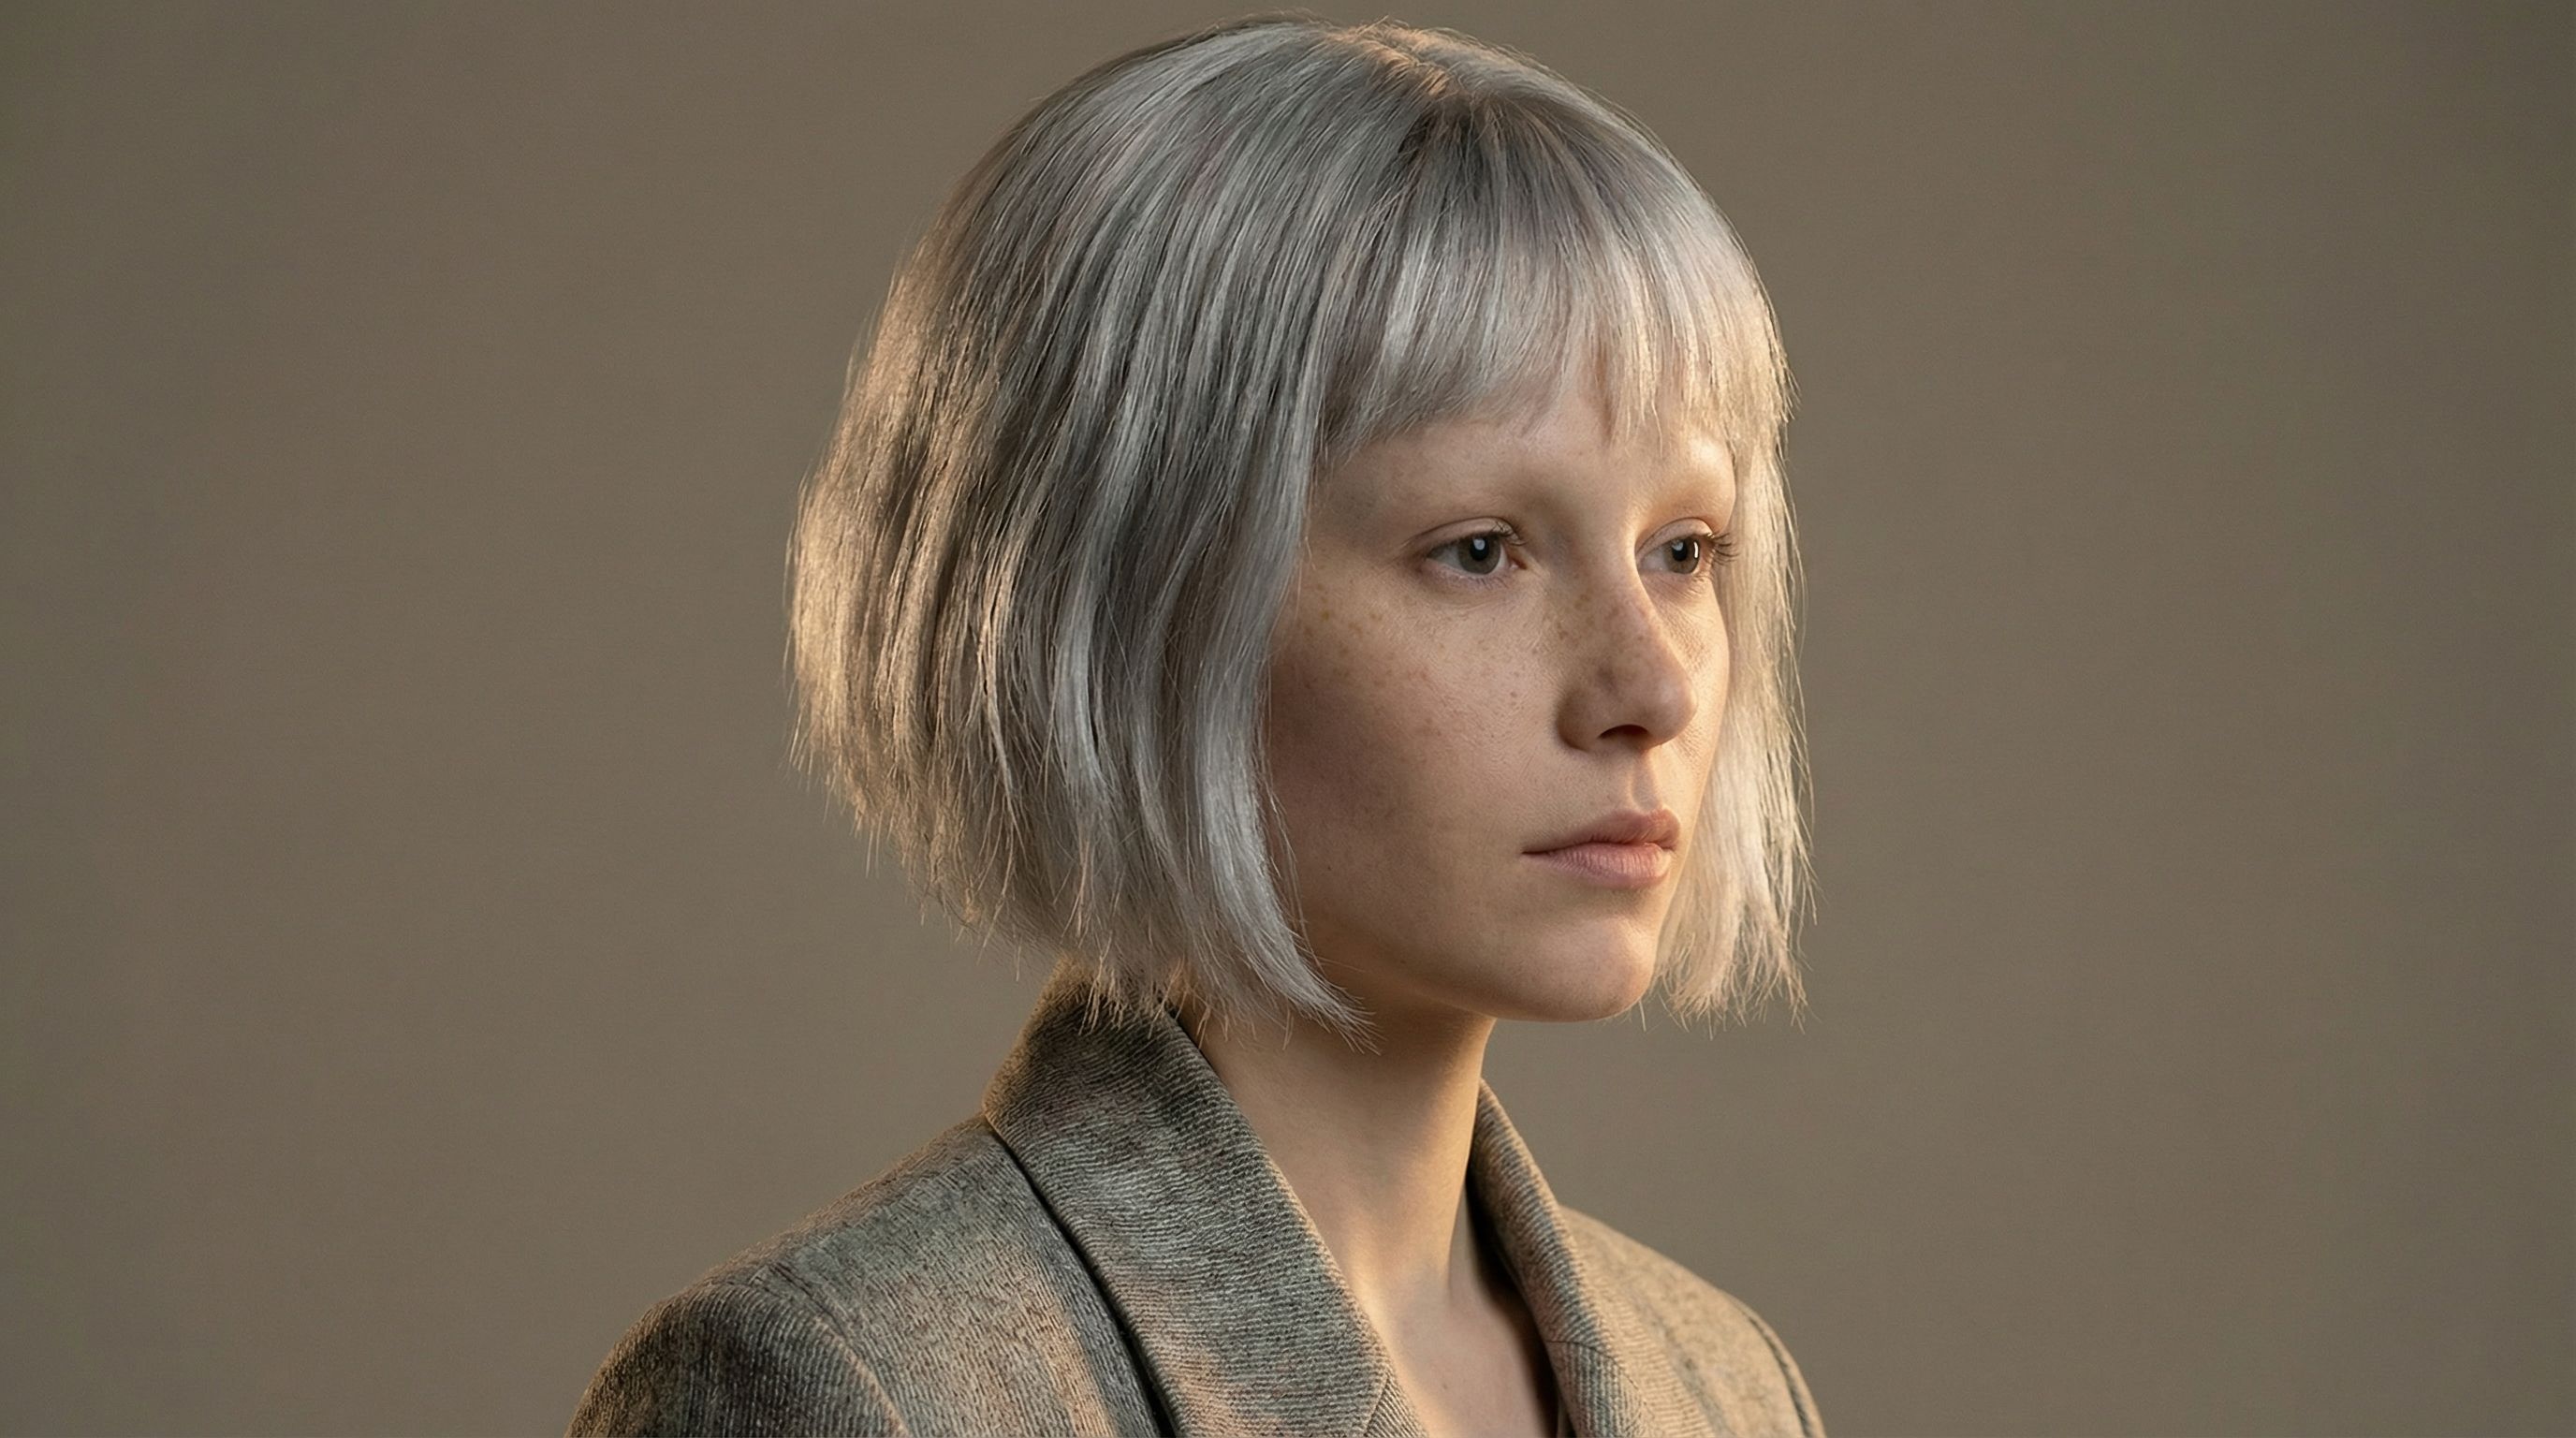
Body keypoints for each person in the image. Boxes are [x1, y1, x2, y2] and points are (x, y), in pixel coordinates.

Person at [568, 12, 1821, 1436]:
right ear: (1136, 606)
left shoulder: (1723, 1384)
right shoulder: (850, 1393)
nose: (1651, 690)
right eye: (1480, 550)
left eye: (1686, 550)